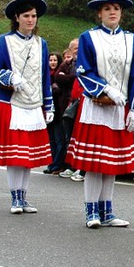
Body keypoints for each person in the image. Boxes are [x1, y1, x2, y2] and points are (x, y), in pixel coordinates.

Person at [66, 0, 134, 228]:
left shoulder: (133, 40)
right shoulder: (88, 38)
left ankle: (107, 211)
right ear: (99, 13)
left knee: (112, 164)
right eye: (107, 8)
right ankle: (91, 212)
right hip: (97, 108)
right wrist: (107, 90)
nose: (112, 12)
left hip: (120, 109)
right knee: (94, 163)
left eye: (116, 9)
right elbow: (83, 72)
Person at [0, 0, 54, 214]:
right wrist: (10, 78)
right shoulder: (3, 42)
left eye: (34, 16)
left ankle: (24, 197)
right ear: (17, 17)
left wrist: (48, 105)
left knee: (28, 156)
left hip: (33, 105)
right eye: (26, 16)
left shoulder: (41, 44)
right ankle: (15, 197)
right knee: (16, 156)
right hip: (12, 104)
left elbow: (45, 76)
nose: (31, 20)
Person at [49, 40, 79, 177]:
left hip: (76, 104)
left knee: (70, 138)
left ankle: (69, 165)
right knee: (61, 138)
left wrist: (65, 78)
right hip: (63, 107)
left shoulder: (80, 63)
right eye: (74, 48)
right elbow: (58, 77)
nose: (77, 50)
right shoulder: (67, 65)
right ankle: (62, 164)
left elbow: (75, 78)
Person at [44, 53, 66, 171]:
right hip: (48, 110)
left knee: (59, 139)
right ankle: (52, 162)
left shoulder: (59, 75)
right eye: (50, 60)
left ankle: (58, 163)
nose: (52, 62)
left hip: (58, 110)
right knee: (51, 139)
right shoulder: (46, 75)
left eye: (55, 60)